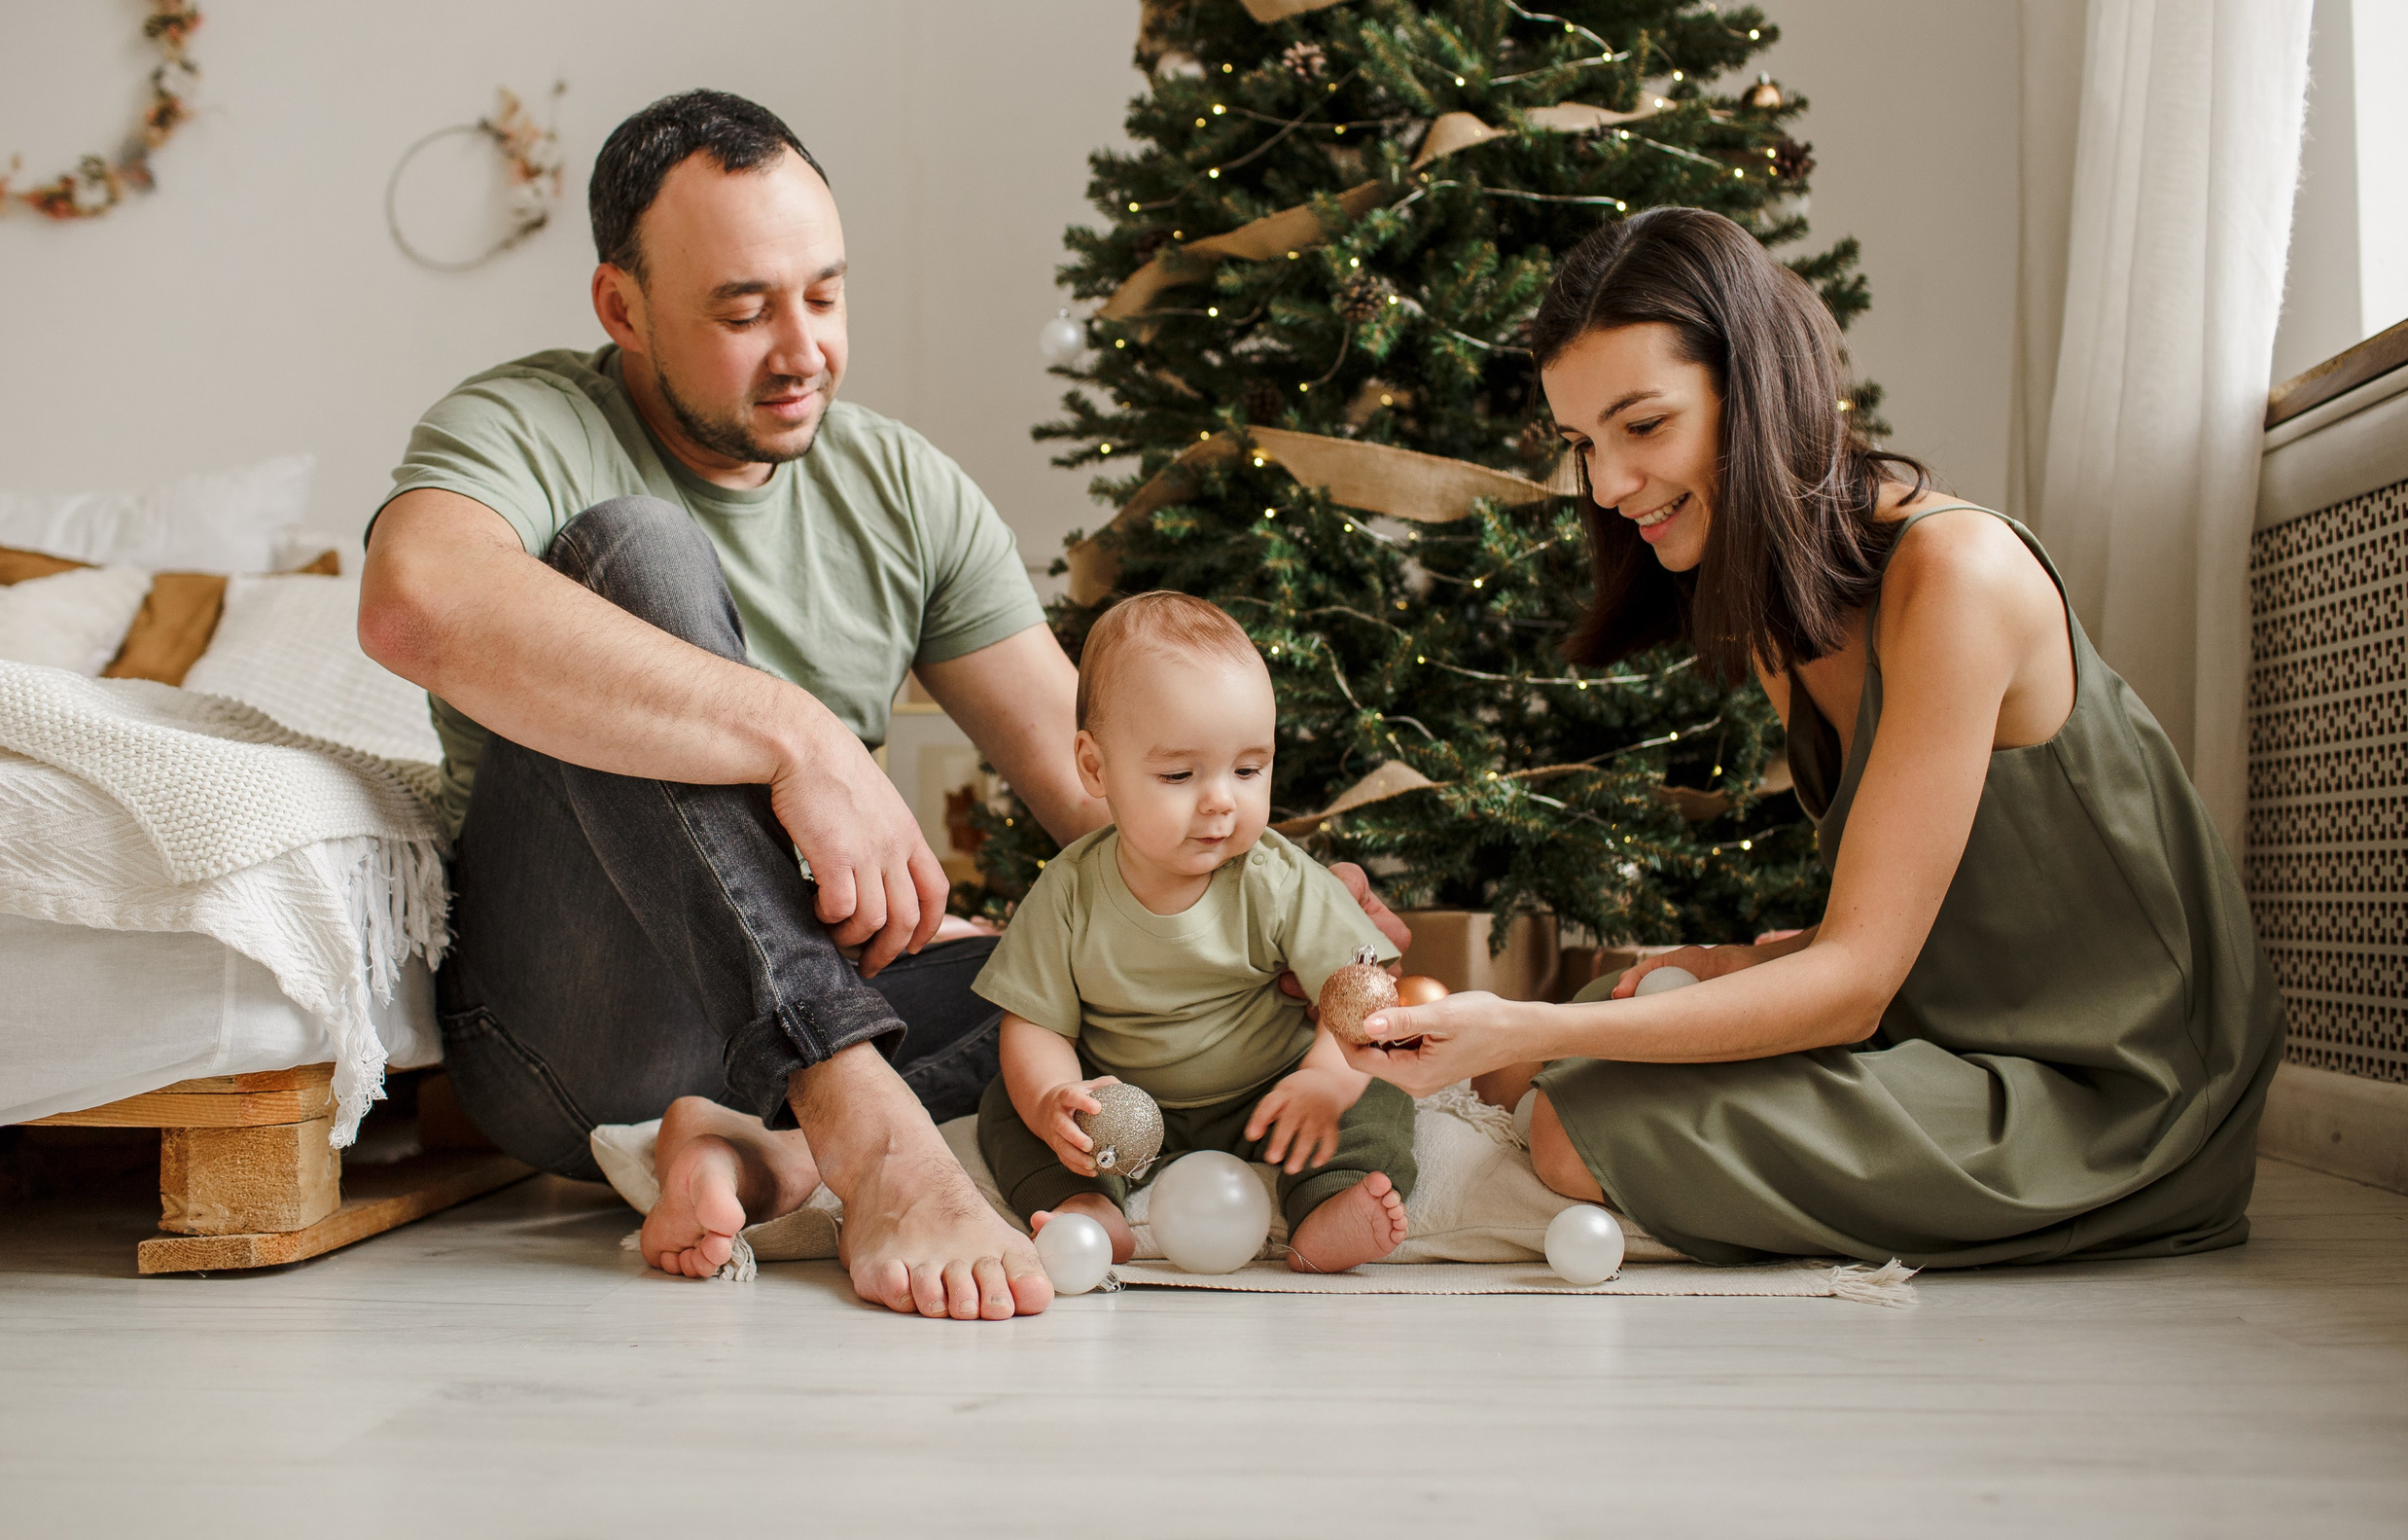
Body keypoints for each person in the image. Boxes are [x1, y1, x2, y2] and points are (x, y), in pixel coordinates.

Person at [360, 90, 1407, 1317]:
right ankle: (873, 1144)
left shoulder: (903, 487)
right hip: (579, 1021)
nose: (802, 347)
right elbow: (413, 603)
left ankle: (766, 1149)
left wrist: (1278, 902)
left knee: (1056, 965)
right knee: (636, 554)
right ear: (621, 309)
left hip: (802, 1006)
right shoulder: (528, 422)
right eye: (744, 309)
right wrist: (799, 736)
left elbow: (1102, 790)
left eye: (824, 293)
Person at [1345, 207, 2283, 1269]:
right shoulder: (1775, 611)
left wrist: (1539, 1026)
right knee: (1566, 1041)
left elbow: (1854, 982)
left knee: (1572, 1111)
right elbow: (1893, 922)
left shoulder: (1953, 575)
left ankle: (1477, 1194)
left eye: (1641, 426)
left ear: (1755, 393)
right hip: (1955, 1038)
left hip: (2119, 1096)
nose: (1606, 485)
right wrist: (1696, 973)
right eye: (1582, 445)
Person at [972, 592, 1418, 1274]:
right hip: (1125, 1101)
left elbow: (1363, 994)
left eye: (1248, 769)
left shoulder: (1275, 877)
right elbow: (1034, 1026)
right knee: (1010, 1107)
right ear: (1096, 768)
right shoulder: (1069, 891)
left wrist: (1326, 1077)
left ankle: (1330, 1202)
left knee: (1374, 1096)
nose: (1221, 800)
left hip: (1271, 1094)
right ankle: (1086, 1206)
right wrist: (1053, 1098)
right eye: (1179, 774)